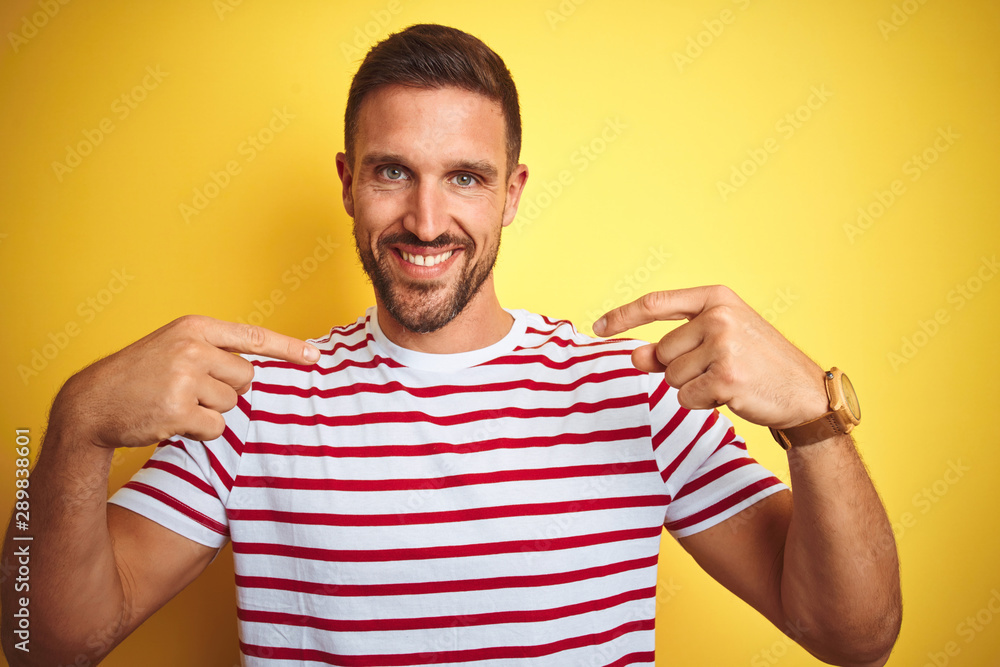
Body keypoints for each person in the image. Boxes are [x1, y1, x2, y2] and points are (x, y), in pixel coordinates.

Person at [2, 23, 900, 667]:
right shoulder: (253, 402)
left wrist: (814, 421)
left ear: (511, 193)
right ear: (348, 183)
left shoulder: (635, 391)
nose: (427, 221)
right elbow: (39, 639)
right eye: (393, 171)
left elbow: (854, 636)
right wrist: (77, 424)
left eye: (465, 177)